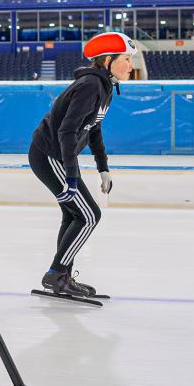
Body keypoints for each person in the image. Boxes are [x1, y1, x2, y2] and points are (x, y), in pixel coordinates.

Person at [28, 31, 136, 297]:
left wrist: (103, 167)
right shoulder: (90, 85)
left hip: (59, 156)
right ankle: (55, 274)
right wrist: (72, 178)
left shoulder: (105, 86)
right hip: (49, 154)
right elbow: (66, 131)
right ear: (109, 60)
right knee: (89, 216)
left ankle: (61, 276)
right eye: (127, 59)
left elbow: (94, 130)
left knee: (74, 214)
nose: (131, 66)